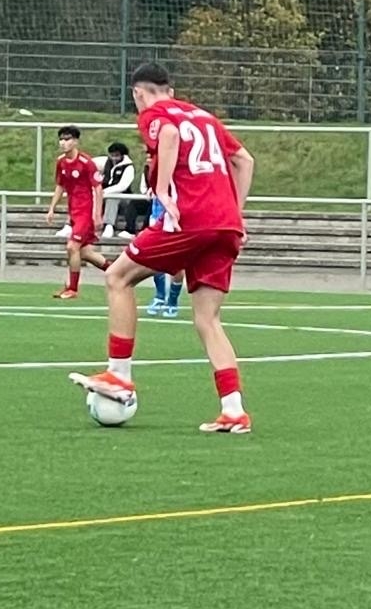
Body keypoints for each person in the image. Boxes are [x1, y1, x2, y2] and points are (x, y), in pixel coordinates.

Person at [71, 62, 255, 434]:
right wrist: (236, 212)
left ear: (138, 93)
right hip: (225, 226)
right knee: (208, 320)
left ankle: (119, 375)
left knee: (118, 277)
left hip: (190, 219)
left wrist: (164, 190)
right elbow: (244, 160)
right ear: (170, 89)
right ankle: (234, 410)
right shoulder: (204, 117)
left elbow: (168, 134)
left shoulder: (155, 114)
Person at [43, 125, 110, 300]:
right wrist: (52, 208)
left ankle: (72, 289)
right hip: (74, 212)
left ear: (75, 141)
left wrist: (97, 214)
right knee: (85, 253)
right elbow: (60, 185)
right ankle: (118, 273)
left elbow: (98, 189)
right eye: (61, 139)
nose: (63, 143)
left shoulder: (86, 163)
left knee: (72, 247)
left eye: (67, 139)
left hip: (85, 213)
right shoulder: (61, 162)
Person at [144, 171, 184, 319]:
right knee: (155, 260)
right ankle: (160, 296)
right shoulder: (155, 168)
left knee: (177, 264)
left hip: (175, 218)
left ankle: (172, 301)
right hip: (156, 217)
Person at [100, 141, 139, 238]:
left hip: (123, 199)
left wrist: (104, 192)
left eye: (116, 156)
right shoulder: (106, 163)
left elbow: (123, 186)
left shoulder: (128, 167)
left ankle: (109, 225)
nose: (114, 158)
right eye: (112, 155)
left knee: (112, 198)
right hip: (104, 196)